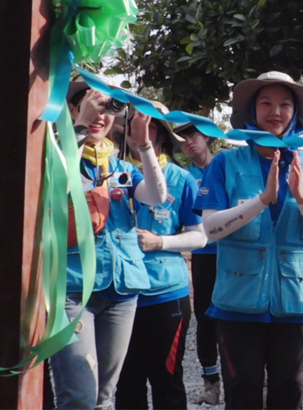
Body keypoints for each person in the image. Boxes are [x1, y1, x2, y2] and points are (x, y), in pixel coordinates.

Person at [195, 71, 303, 410]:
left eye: (284, 104)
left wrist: (302, 198)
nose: (275, 111)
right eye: (265, 103)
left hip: (297, 303)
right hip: (237, 304)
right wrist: (261, 200)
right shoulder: (225, 162)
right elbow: (210, 230)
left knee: (290, 389)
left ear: (296, 113)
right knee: (242, 389)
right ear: (251, 110)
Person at [49, 81, 168, 410]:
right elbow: (54, 179)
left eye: (109, 109)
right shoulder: (57, 154)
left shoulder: (121, 169)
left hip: (121, 291)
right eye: (91, 103)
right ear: (72, 109)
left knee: (104, 398)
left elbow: (157, 196)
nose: (102, 114)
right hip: (73, 290)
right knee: (78, 398)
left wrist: (144, 146)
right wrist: (81, 125)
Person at [115, 102, 207, 410]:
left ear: (162, 135)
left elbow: (200, 236)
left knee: (167, 380)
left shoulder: (182, 179)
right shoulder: (111, 173)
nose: (142, 128)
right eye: (134, 123)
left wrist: (161, 242)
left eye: (150, 125)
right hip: (118, 293)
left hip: (165, 294)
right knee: (126, 383)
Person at [172, 122, 223, 405]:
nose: (189, 142)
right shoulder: (183, 176)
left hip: (232, 253)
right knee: (205, 318)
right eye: (183, 138)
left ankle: (249, 378)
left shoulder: (226, 165)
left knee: (235, 317)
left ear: (207, 137)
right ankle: (211, 382)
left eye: (193, 135)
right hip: (203, 256)